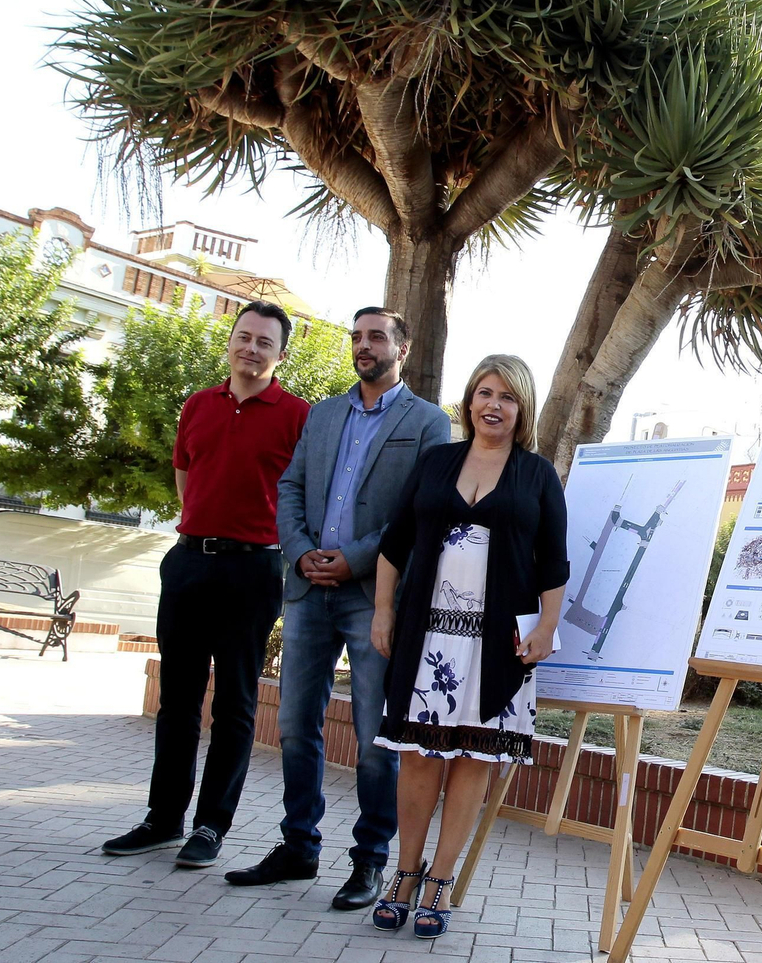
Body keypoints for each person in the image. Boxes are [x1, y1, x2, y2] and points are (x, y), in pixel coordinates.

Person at [223, 308, 451, 908]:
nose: (363, 346)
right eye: (357, 336)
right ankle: (299, 845)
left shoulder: (428, 422)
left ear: (403, 347)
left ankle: (371, 859)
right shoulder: (323, 414)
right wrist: (298, 553)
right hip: (306, 591)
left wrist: (351, 559)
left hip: (373, 596)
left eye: (377, 336)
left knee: (376, 734)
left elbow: (416, 512)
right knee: (297, 724)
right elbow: (291, 487)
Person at [367, 354, 568, 939]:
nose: (493, 405)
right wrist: (383, 611)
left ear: (522, 407)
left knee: (474, 760)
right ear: (469, 400)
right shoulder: (436, 462)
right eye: (484, 392)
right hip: (427, 637)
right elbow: (394, 544)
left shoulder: (537, 475)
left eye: (506, 396)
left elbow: (553, 562)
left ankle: (441, 880)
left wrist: (546, 628)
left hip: (500, 644)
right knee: (419, 756)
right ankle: (404, 872)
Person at [102, 301, 310, 868]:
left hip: (254, 570)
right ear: (231, 342)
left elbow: (304, 496)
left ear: (280, 354)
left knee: (237, 703)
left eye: (264, 341)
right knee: (178, 701)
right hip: (189, 562)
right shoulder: (197, 405)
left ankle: (211, 826)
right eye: (243, 337)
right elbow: (185, 477)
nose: (251, 348)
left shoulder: (298, 416)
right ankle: (163, 819)